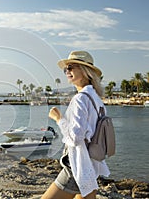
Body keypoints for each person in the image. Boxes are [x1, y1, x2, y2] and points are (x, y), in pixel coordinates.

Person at [41, 51, 110, 199]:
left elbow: (76, 137)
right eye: (66, 69)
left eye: (71, 67)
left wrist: (58, 118)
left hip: (78, 165)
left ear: (85, 71)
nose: (67, 71)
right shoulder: (97, 99)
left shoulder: (80, 99)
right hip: (92, 165)